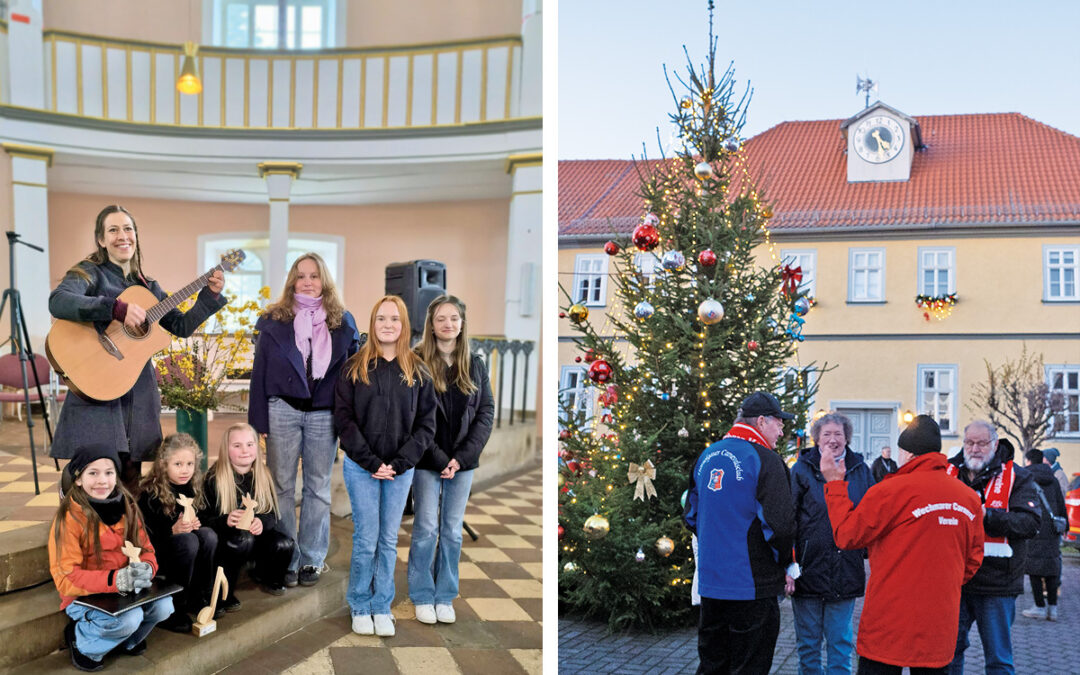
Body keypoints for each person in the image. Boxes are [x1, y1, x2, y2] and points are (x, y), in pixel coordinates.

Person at [48, 205, 227, 493]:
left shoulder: (148, 287)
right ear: (101, 240)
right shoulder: (88, 273)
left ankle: (128, 534)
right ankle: (84, 534)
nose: (123, 236)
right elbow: (59, 300)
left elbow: (180, 326)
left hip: (136, 389)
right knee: (92, 468)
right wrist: (115, 308)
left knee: (130, 472)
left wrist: (210, 296)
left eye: (128, 228)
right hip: (96, 380)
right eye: (113, 230)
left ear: (136, 236)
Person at [820, 414, 984, 674]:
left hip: (888, 621)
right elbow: (973, 559)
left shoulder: (890, 491)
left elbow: (847, 536)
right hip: (939, 622)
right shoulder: (968, 498)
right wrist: (942, 582)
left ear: (907, 454)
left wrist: (835, 485)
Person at [248, 253, 359, 588]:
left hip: (324, 413)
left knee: (317, 488)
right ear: (292, 281)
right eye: (301, 276)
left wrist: (347, 421)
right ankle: (287, 556)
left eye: (314, 276)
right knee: (281, 485)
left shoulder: (342, 320)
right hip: (282, 408)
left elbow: (350, 379)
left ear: (324, 280)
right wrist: (258, 421)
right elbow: (260, 373)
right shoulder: (274, 318)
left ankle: (311, 558)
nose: (308, 282)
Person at [335, 295, 436, 638]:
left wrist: (399, 463)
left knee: (389, 540)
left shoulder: (418, 371)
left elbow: (426, 425)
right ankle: (360, 604)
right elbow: (344, 420)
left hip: (400, 470)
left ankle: (382, 605)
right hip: (362, 466)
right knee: (366, 538)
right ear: (372, 323)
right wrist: (372, 461)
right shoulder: (354, 366)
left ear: (404, 325)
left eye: (394, 319)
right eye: (381, 318)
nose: (388, 324)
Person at [683, 391, 796, 675]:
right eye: (779, 423)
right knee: (749, 667)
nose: (782, 431)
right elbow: (780, 526)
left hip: (711, 584)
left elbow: (691, 514)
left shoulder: (707, 454)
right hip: (752, 586)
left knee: (712, 665)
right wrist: (787, 564)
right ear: (760, 421)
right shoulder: (766, 460)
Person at [407, 295, 494, 625]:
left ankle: (445, 595)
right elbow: (414, 417)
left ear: (462, 323)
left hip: (463, 461)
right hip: (427, 460)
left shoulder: (475, 363)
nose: (448, 324)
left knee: (453, 531)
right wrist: (441, 458)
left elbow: (486, 412)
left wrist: (462, 457)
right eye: (441, 318)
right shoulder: (415, 361)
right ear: (431, 324)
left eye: (454, 318)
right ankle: (421, 593)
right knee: (427, 528)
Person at [49, 443, 172, 672]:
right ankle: (84, 644)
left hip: (124, 590)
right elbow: (66, 577)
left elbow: (146, 549)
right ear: (77, 479)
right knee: (130, 619)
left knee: (165, 606)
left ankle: (128, 640)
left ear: (116, 476)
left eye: (109, 472)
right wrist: (115, 580)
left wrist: (147, 567)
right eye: (92, 473)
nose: (102, 481)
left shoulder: (128, 505)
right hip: (83, 596)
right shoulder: (69, 519)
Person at [945, 421, 1040, 675]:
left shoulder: (1018, 477)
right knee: (948, 653)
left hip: (997, 582)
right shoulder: (948, 473)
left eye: (982, 443)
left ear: (995, 444)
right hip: (955, 580)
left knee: (998, 660)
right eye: (969, 443)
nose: (975, 448)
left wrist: (988, 516)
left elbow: (1030, 523)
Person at [788, 412, 874, 675]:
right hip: (808, 570)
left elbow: (871, 515)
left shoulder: (860, 469)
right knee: (809, 646)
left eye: (838, 434)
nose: (833, 440)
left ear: (847, 437)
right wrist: (788, 564)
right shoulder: (802, 468)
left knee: (840, 644)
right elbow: (789, 518)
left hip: (845, 569)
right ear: (816, 439)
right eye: (827, 434)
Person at [202, 423, 295, 608]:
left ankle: (265, 575)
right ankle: (223, 591)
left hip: (256, 537)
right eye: (237, 446)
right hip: (228, 541)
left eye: (250, 444)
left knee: (285, 544)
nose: (245, 450)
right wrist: (225, 520)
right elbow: (204, 519)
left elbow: (271, 513)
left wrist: (262, 522)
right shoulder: (215, 477)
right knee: (242, 540)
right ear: (226, 449)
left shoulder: (263, 475)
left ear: (257, 447)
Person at [137, 433, 218, 633]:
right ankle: (174, 606)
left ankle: (198, 596)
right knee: (188, 541)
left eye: (190, 464)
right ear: (164, 464)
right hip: (159, 555)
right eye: (178, 464)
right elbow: (145, 537)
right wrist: (171, 530)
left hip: (189, 554)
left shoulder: (194, 486)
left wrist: (199, 523)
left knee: (208, 535)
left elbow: (207, 517)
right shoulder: (150, 492)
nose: (185, 470)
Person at [1021, 448, 1066, 621]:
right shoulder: (1053, 479)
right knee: (1051, 569)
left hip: (1035, 527)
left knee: (1034, 568)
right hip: (1053, 530)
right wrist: (1064, 525)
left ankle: (1039, 607)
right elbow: (1061, 504)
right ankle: (1052, 609)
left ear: (1029, 461)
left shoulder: (1026, 478)